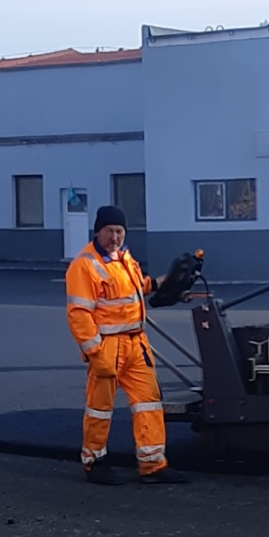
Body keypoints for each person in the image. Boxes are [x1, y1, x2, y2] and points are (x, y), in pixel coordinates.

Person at [66, 205, 184, 484]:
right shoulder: (85, 265)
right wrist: (94, 351)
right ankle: (94, 462)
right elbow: (79, 314)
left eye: (120, 231)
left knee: (149, 403)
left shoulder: (124, 259)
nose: (115, 237)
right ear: (98, 231)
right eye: (110, 231)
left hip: (136, 344)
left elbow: (136, 289)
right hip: (107, 347)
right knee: (100, 408)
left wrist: (164, 283)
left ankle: (153, 465)